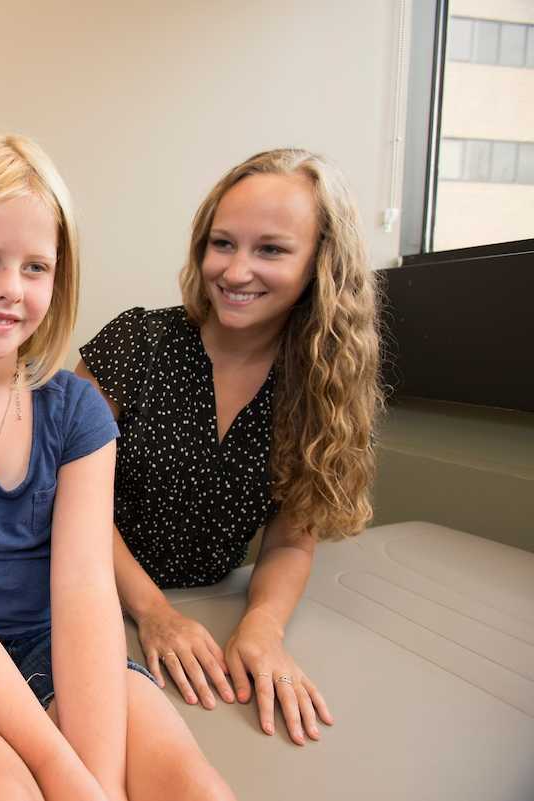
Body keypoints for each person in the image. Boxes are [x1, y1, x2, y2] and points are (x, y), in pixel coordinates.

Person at [0, 133, 233, 801]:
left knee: (197, 790)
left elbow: (85, 590)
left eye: (35, 267)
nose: (10, 289)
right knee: (6, 793)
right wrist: (59, 771)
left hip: (58, 642)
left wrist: (100, 783)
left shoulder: (77, 409)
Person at [75, 148, 382, 747]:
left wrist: (263, 626)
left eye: (270, 249)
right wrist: (153, 612)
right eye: (223, 244)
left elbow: (294, 535)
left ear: (321, 264)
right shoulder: (135, 342)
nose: (236, 272)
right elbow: (65, 496)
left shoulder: (319, 381)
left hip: (210, 608)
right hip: (83, 595)